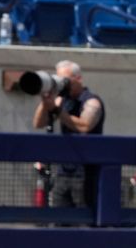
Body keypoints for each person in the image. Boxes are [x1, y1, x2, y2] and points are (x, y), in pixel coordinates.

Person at [32, 61, 105, 209]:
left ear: (78, 78)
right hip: (63, 172)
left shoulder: (91, 101)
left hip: (86, 173)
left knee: (85, 222)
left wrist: (57, 110)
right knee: (61, 222)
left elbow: (84, 126)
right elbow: (38, 123)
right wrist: (46, 103)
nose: (62, 84)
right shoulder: (61, 100)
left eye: (65, 80)